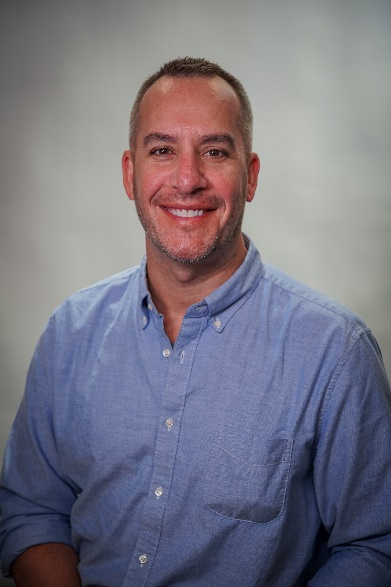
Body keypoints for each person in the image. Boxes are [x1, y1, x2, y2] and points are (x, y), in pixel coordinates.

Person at [1, 57, 391, 587]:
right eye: (162, 150)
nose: (188, 179)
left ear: (249, 176)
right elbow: (30, 510)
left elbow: (374, 546)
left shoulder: (334, 352)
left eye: (214, 151)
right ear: (129, 174)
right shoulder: (69, 333)